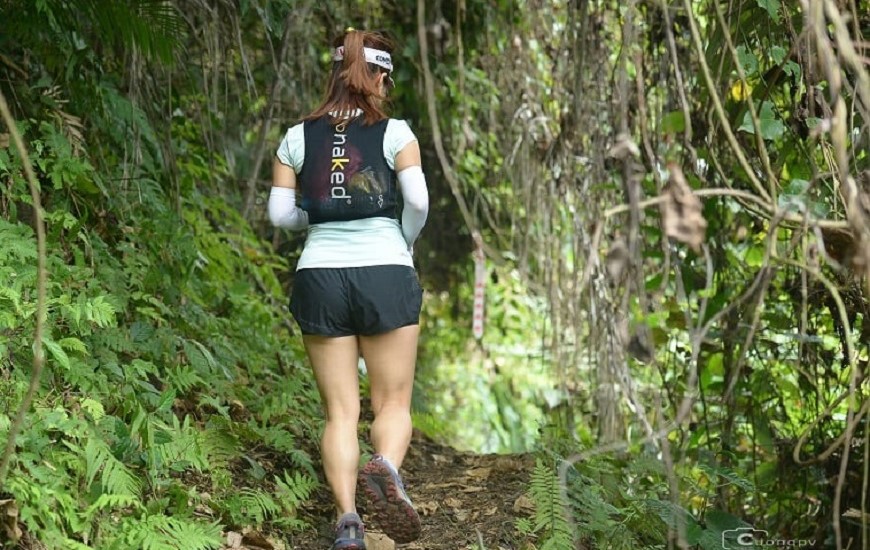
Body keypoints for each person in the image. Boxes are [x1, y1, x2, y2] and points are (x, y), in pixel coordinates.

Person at [268, 28, 428, 550]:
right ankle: (386, 467)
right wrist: (399, 241)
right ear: (377, 76)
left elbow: (279, 215)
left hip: (320, 273)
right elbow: (419, 203)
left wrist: (319, 219)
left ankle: (348, 521)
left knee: (340, 412)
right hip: (384, 268)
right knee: (393, 403)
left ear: (335, 73)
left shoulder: (297, 136)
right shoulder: (396, 133)